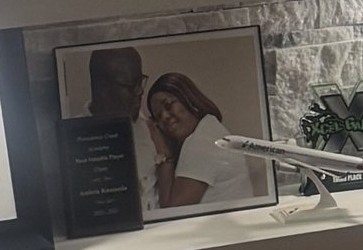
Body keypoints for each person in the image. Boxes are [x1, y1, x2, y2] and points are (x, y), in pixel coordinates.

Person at [145, 72, 261, 214]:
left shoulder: (202, 141)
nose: (165, 117)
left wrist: (163, 152)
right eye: (158, 116)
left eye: (168, 105)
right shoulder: (209, 128)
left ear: (189, 99)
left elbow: (172, 211)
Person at [84, 44, 166, 206]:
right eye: (131, 86)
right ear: (103, 89)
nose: (140, 92)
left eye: (140, 82)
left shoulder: (155, 129)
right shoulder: (74, 139)